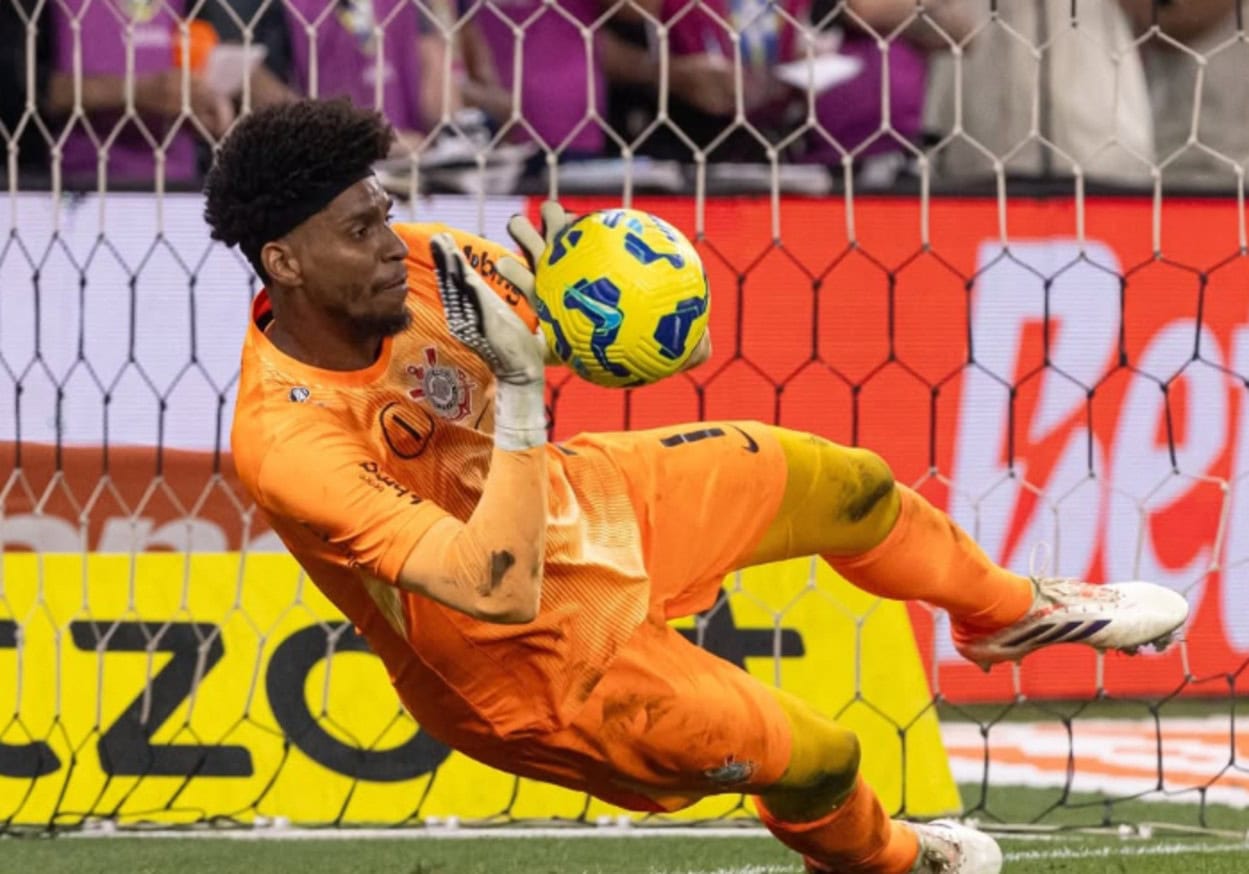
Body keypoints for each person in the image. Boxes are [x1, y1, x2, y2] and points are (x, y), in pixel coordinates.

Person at [204, 97, 1189, 874]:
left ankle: (1005, 614)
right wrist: (516, 384)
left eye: (383, 209)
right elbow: (491, 585)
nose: (390, 239)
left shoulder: (424, 267)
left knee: (846, 483)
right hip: (529, 666)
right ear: (284, 261)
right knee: (820, 757)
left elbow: (575, 333)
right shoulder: (287, 438)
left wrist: (617, 302)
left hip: (580, 501)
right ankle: (881, 861)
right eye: (357, 228)